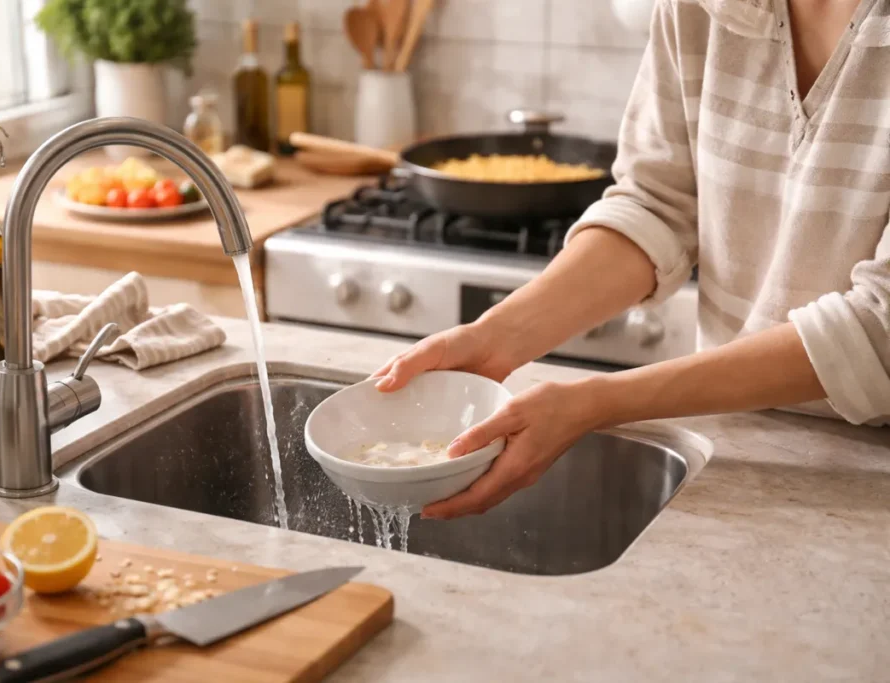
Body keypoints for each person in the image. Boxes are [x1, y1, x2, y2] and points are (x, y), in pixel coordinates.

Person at [371, 0, 890, 520]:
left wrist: (600, 401)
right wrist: (495, 338)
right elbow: (657, 206)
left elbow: (880, 327)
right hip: (730, 445)